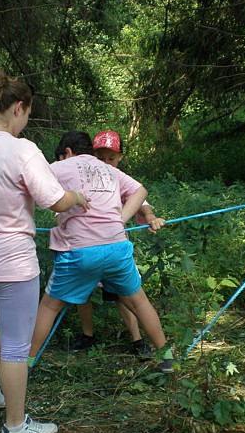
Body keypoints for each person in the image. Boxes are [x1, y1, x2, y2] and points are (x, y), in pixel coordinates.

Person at [0, 69, 89, 433]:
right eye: (27, 114)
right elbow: (54, 200)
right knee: (16, 343)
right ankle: (15, 426)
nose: (25, 121)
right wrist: (75, 197)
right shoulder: (21, 149)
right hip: (10, 260)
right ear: (17, 108)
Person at [28, 130, 174, 374]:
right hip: (117, 246)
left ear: (68, 152)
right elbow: (141, 191)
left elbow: (31, 183)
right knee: (139, 301)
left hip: (80, 250)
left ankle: (26, 363)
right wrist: (120, 219)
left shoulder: (61, 166)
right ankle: (167, 357)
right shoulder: (110, 170)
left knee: (50, 306)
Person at [69, 130, 166, 360]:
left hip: (114, 250)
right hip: (86, 247)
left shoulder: (119, 179)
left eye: (111, 159)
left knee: (124, 295)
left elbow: (142, 201)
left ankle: (138, 339)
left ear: (120, 157)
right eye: (101, 158)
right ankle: (87, 335)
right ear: (92, 156)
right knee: (82, 294)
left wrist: (151, 217)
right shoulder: (84, 177)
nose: (106, 163)